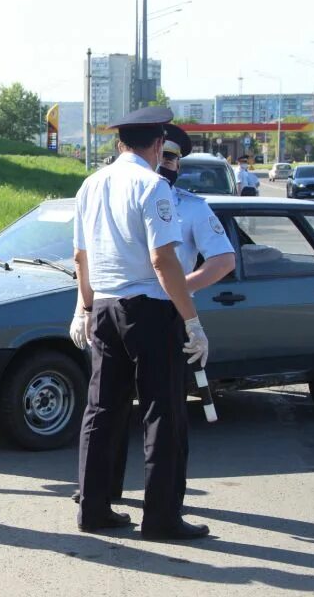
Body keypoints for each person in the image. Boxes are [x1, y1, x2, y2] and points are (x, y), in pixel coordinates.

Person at [71, 123, 235, 510]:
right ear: (157, 145)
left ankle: (92, 508)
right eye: (164, 153)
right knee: (163, 412)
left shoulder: (92, 183)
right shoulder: (151, 185)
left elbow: (83, 257)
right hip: (152, 308)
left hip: (110, 308)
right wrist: (191, 319)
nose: (166, 163)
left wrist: (89, 306)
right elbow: (161, 261)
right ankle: (161, 515)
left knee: (101, 409)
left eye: (174, 158)